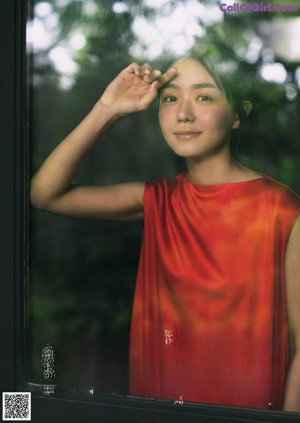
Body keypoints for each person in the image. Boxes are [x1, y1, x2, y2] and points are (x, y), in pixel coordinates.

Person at [30, 55, 300, 412]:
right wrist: (107, 108)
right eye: (170, 98)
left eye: (203, 97)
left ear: (236, 115)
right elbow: (45, 193)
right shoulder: (158, 200)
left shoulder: (284, 209)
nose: (183, 114)